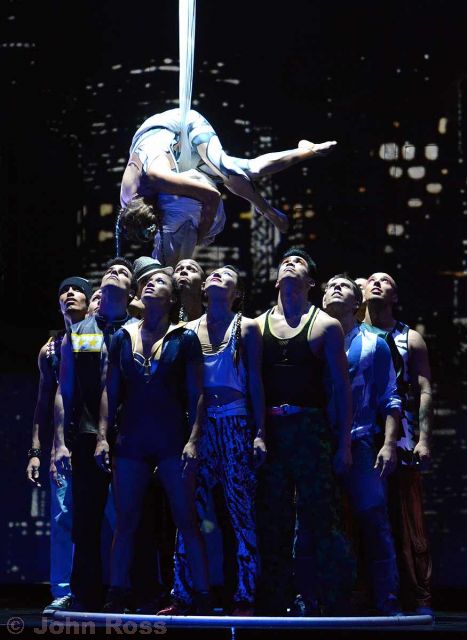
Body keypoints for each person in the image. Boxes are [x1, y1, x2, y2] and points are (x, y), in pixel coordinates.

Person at [94, 265, 211, 614]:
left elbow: (197, 393)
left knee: (186, 519)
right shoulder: (122, 336)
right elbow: (109, 391)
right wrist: (102, 437)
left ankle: (203, 596)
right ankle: (116, 595)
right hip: (131, 439)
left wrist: (194, 439)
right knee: (125, 521)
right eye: (145, 282)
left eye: (158, 281)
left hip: (171, 439)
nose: (149, 285)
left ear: (172, 298)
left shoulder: (184, 338)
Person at [160, 265, 266, 616]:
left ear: (237, 292)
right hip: (199, 428)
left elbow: (256, 381)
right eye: (215, 274)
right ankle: (183, 593)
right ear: (204, 287)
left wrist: (260, 431)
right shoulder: (188, 330)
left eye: (228, 275)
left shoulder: (246, 327)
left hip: (235, 421)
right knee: (188, 511)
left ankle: (246, 595)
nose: (219, 276)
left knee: (241, 512)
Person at [255, 248, 355, 616]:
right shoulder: (256, 325)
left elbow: (342, 389)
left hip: (310, 428)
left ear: (311, 282)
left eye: (298, 262)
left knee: (321, 517)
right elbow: (252, 384)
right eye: (285, 262)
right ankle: (276, 601)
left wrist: (344, 445)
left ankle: (331, 601)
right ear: (276, 280)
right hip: (272, 429)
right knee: (273, 518)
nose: (290, 264)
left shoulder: (326, 325)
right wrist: (258, 433)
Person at [117, 108, 336, 266]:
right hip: (174, 151)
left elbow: (212, 196)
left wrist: (201, 234)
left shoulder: (159, 176)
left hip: (183, 125)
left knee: (228, 172)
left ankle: (266, 210)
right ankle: (307, 151)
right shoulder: (128, 203)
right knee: (251, 168)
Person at [53, 258, 135, 611]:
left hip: (133, 436)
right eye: (109, 271)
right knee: (85, 521)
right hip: (87, 435)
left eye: (123, 272)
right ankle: (84, 597)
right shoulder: (80, 331)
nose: (114, 273)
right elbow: (65, 389)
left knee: (133, 519)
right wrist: (59, 443)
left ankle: (132, 593)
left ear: (131, 291)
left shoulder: (140, 328)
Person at [323, 274, 402, 615]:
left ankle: (387, 599)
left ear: (357, 303)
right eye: (330, 285)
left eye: (344, 286)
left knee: (373, 517)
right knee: (312, 521)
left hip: (361, 441)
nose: (335, 288)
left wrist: (389, 443)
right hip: (318, 443)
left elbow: (390, 397)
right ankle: (313, 599)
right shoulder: (311, 338)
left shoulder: (375, 343)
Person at [364, 272, 433, 615]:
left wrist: (424, 438)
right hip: (362, 431)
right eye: (372, 279)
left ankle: (418, 595)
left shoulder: (409, 337)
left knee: (407, 517)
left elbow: (424, 388)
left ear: (395, 296)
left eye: (386, 280)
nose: (378, 283)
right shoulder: (350, 333)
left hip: (401, 436)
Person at [27, 277, 91, 613]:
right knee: (63, 516)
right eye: (64, 290)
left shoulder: (99, 337)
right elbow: (42, 404)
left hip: (97, 439)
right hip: (63, 446)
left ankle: (112, 588)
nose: (69, 294)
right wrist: (37, 451)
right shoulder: (49, 349)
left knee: (110, 516)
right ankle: (63, 590)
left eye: (77, 290)